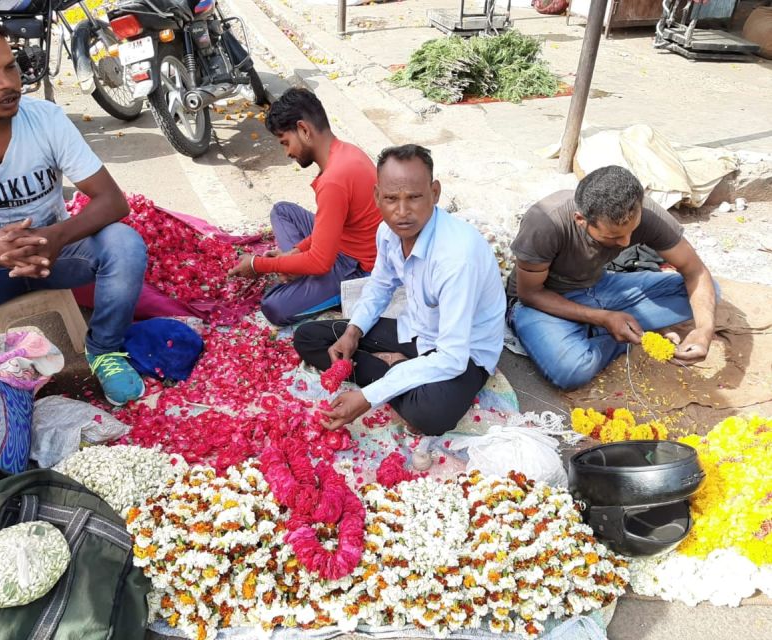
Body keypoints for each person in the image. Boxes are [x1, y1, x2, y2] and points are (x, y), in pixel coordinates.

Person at [0, 9, 147, 406]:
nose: (8, 83)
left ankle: (105, 350)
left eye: (10, 66)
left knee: (124, 245)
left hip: (56, 255)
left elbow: (112, 201)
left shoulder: (46, 120)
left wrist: (55, 236)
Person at [293, 144, 506, 436]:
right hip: (417, 330)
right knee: (309, 338)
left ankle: (393, 374)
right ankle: (401, 371)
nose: (402, 212)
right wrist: (353, 332)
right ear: (377, 196)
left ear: (434, 193)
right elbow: (380, 286)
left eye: (415, 197)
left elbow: (453, 357)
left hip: (465, 352)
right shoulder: (388, 232)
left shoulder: (457, 258)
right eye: (391, 199)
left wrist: (369, 397)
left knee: (430, 416)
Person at [507, 165, 717, 390]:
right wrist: (604, 318)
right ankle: (615, 331)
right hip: (542, 301)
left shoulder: (643, 212)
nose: (626, 242)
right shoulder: (545, 223)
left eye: (631, 230)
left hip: (599, 285)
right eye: (613, 236)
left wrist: (704, 330)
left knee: (707, 291)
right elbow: (529, 293)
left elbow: (695, 271)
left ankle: (603, 328)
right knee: (571, 370)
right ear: (581, 220)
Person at [227, 88, 381, 325]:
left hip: (358, 267)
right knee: (282, 211)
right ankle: (298, 267)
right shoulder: (347, 152)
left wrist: (259, 265)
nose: (287, 152)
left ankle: (328, 288)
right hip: (342, 240)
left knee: (274, 307)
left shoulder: (334, 180)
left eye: (285, 142)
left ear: (304, 130)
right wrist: (295, 252)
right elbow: (330, 223)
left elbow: (321, 262)